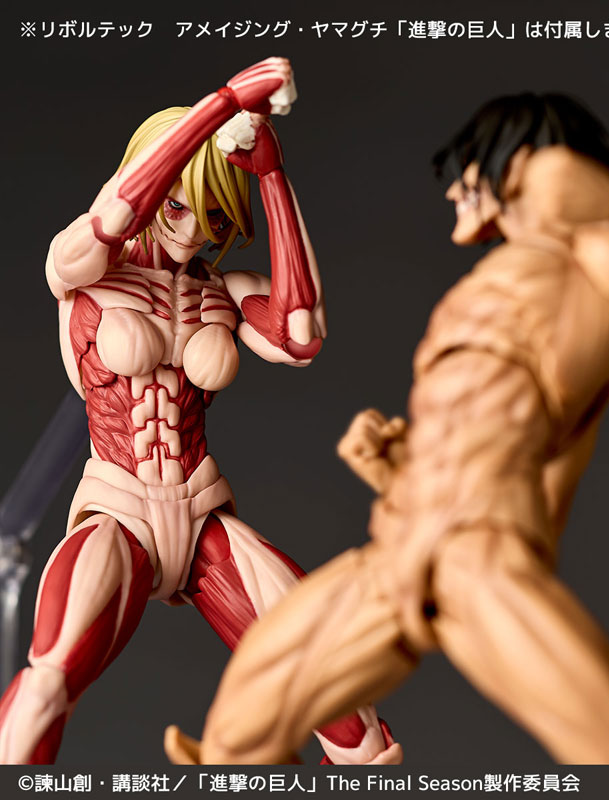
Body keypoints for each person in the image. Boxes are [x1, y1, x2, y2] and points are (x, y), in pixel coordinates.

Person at [163, 92, 609, 765]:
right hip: (399, 546)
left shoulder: (602, 255)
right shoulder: (495, 278)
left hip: (480, 556)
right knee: (234, 742)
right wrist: (398, 467)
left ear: (521, 166)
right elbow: (486, 421)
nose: (458, 188)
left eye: (469, 168)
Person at [0, 57, 399, 766]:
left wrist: (271, 175)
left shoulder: (221, 291)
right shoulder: (90, 270)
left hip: (202, 511)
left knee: (344, 705)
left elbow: (300, 332)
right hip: (118, 508)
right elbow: (113, 215)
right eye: (179, 206)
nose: (192, 231)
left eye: (213, 215)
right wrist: (220, 107)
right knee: (46, 685)